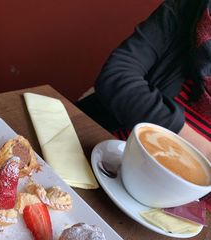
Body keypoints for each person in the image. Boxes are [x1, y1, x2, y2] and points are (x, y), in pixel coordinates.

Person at [77, 0, 211, 161]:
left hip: (177, 186)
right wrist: (203, 150)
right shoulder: (190, 8)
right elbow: (117, 74)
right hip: (96, 149)